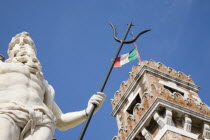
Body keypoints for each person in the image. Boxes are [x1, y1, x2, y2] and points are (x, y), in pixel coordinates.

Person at [0, 32, 106, 140]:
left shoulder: (44, 84)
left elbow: (61, 121)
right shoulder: (2, 66)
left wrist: (86, 112)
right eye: (16, 43)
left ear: (33, 51)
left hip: (41, 120)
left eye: (27, 42)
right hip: (7, 111)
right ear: (10, 51)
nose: (22, 44)